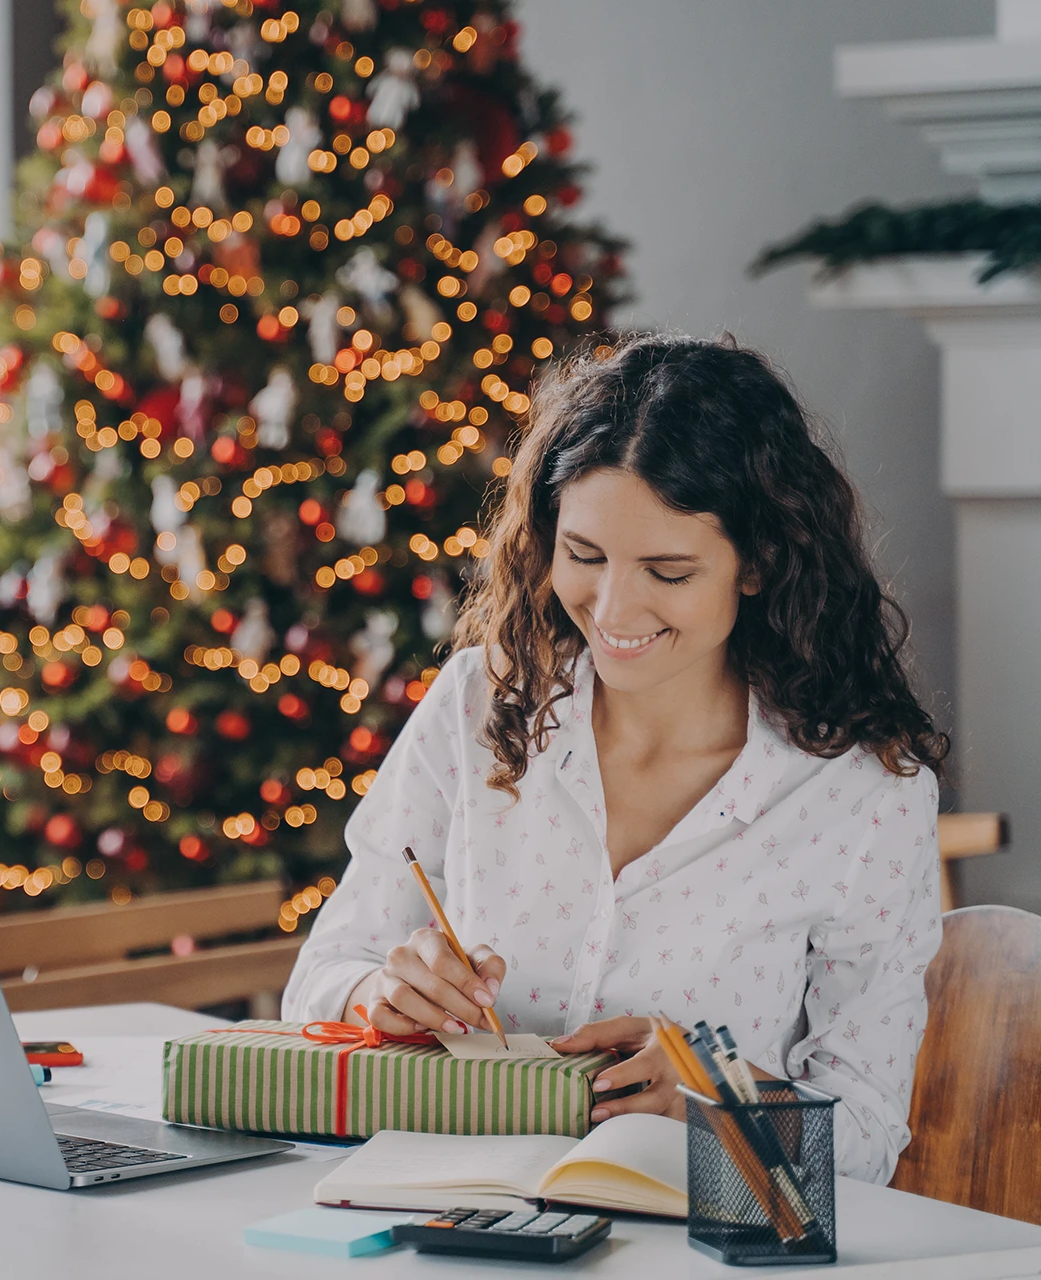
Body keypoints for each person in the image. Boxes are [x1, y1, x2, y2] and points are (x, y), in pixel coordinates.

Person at [283, 334, 949, 1183]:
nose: (613, 609)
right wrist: (377, 996)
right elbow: (320, 979)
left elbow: (865, 1140)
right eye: (585, 557)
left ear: (759, 564)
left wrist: (723, 1100)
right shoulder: (479, 702)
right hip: (442, 1214)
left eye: (668, 571)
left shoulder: (863, 799)